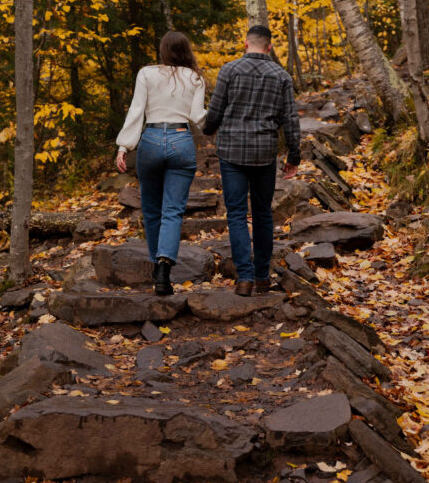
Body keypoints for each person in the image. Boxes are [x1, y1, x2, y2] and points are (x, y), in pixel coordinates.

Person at [204, 24, 300, 296]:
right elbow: (290, 120)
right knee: (262, 215)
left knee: (235, 213)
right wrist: (294, 156)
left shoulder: (229, 70)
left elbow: (215, 110)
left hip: (232, 151)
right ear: (269, 47)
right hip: (264, 153)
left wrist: (209, 130)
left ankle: (244, 278)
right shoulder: (281, 76)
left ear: (246, 44)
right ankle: (262, 278)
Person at [116, 31, 205, 297]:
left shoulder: (146, 73)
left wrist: (124, 145)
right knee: (173, 211)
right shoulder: (195, 77)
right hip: (181, 140)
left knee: (152, 210)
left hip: (151, 139)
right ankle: (165, 268)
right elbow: (198, 117)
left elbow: (136, 109)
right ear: (186, 50)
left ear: (163, 50)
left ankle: (157, 266)